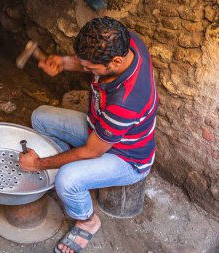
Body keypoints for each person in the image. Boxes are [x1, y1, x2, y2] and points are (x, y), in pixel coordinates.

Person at [19, 16, 158, 253]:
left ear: (115, 61)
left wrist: (39, 164)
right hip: (98, 129)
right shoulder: (127, 42)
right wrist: (63, 62)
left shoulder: (126, 102)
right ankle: (71, 173)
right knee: (40, 117)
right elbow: (89, 61)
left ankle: (87, 221)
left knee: (67, 179)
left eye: (90, 67)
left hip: (127, 158)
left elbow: (91, 151)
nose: (85, 69)